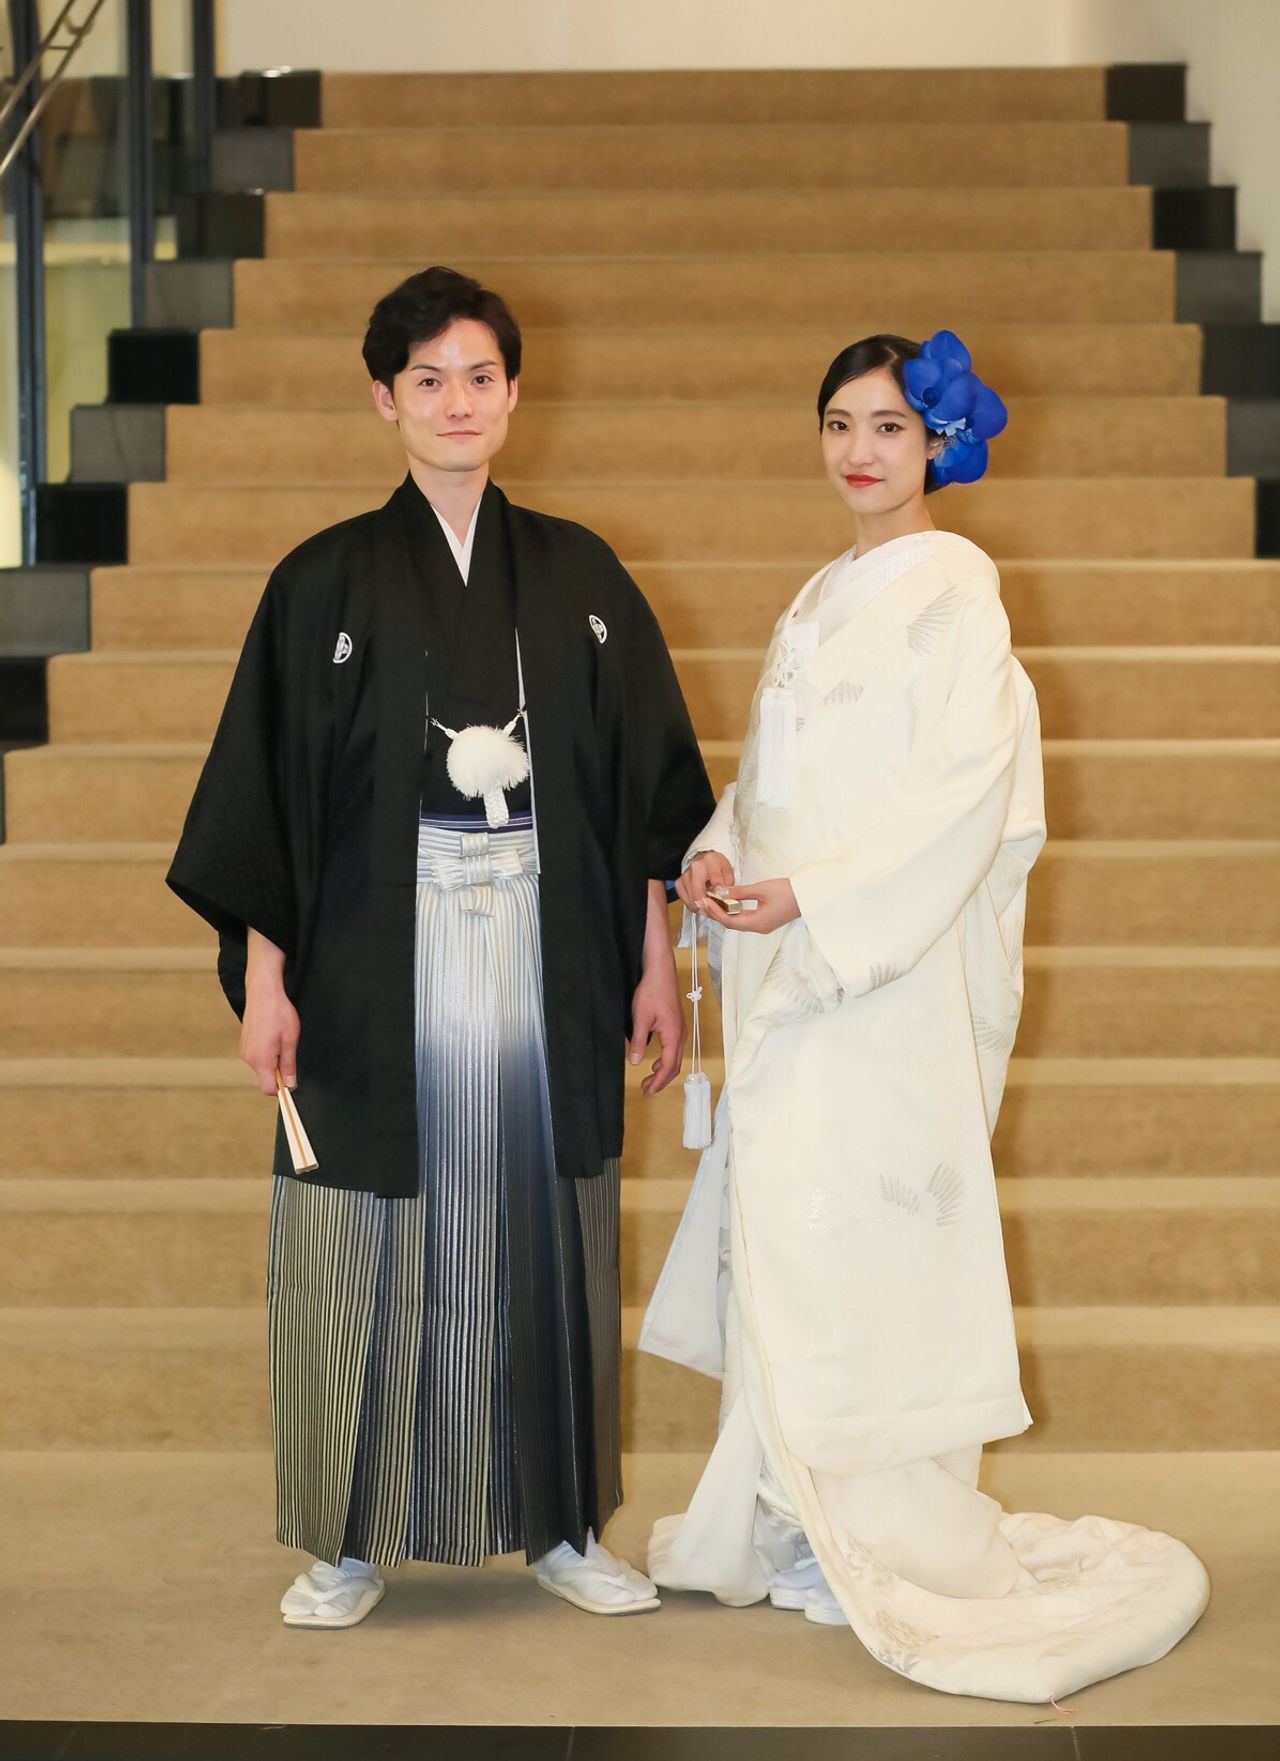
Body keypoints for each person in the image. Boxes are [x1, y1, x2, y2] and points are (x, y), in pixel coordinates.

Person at [639, 331, 1209, 1702]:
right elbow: (772, 779)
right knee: (792, 1235)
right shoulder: (818, 596)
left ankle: (885, 1529)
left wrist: (820, 898)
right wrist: (715, 852)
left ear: (939, 444)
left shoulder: (960, 595)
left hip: (881, 978)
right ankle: (795, 1509)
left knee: (873, 1243)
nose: (860, 451)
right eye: (839, 423)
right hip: (791, 963)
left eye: (889, 426)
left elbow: (964, 796)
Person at [168, 264, 713, 1628]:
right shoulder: (321, 581)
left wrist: (654, 961)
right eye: (428, 380)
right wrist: (267, 982)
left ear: (515, 392)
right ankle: (348, 1540)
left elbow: (640, 793)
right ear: (384, 400)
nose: (457, 401)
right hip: (372, 961)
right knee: (358, 1232)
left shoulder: (583, 575)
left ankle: (562, 1525)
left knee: (548, 1236)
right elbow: (264, 801)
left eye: (479, 376)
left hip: (549, 953)